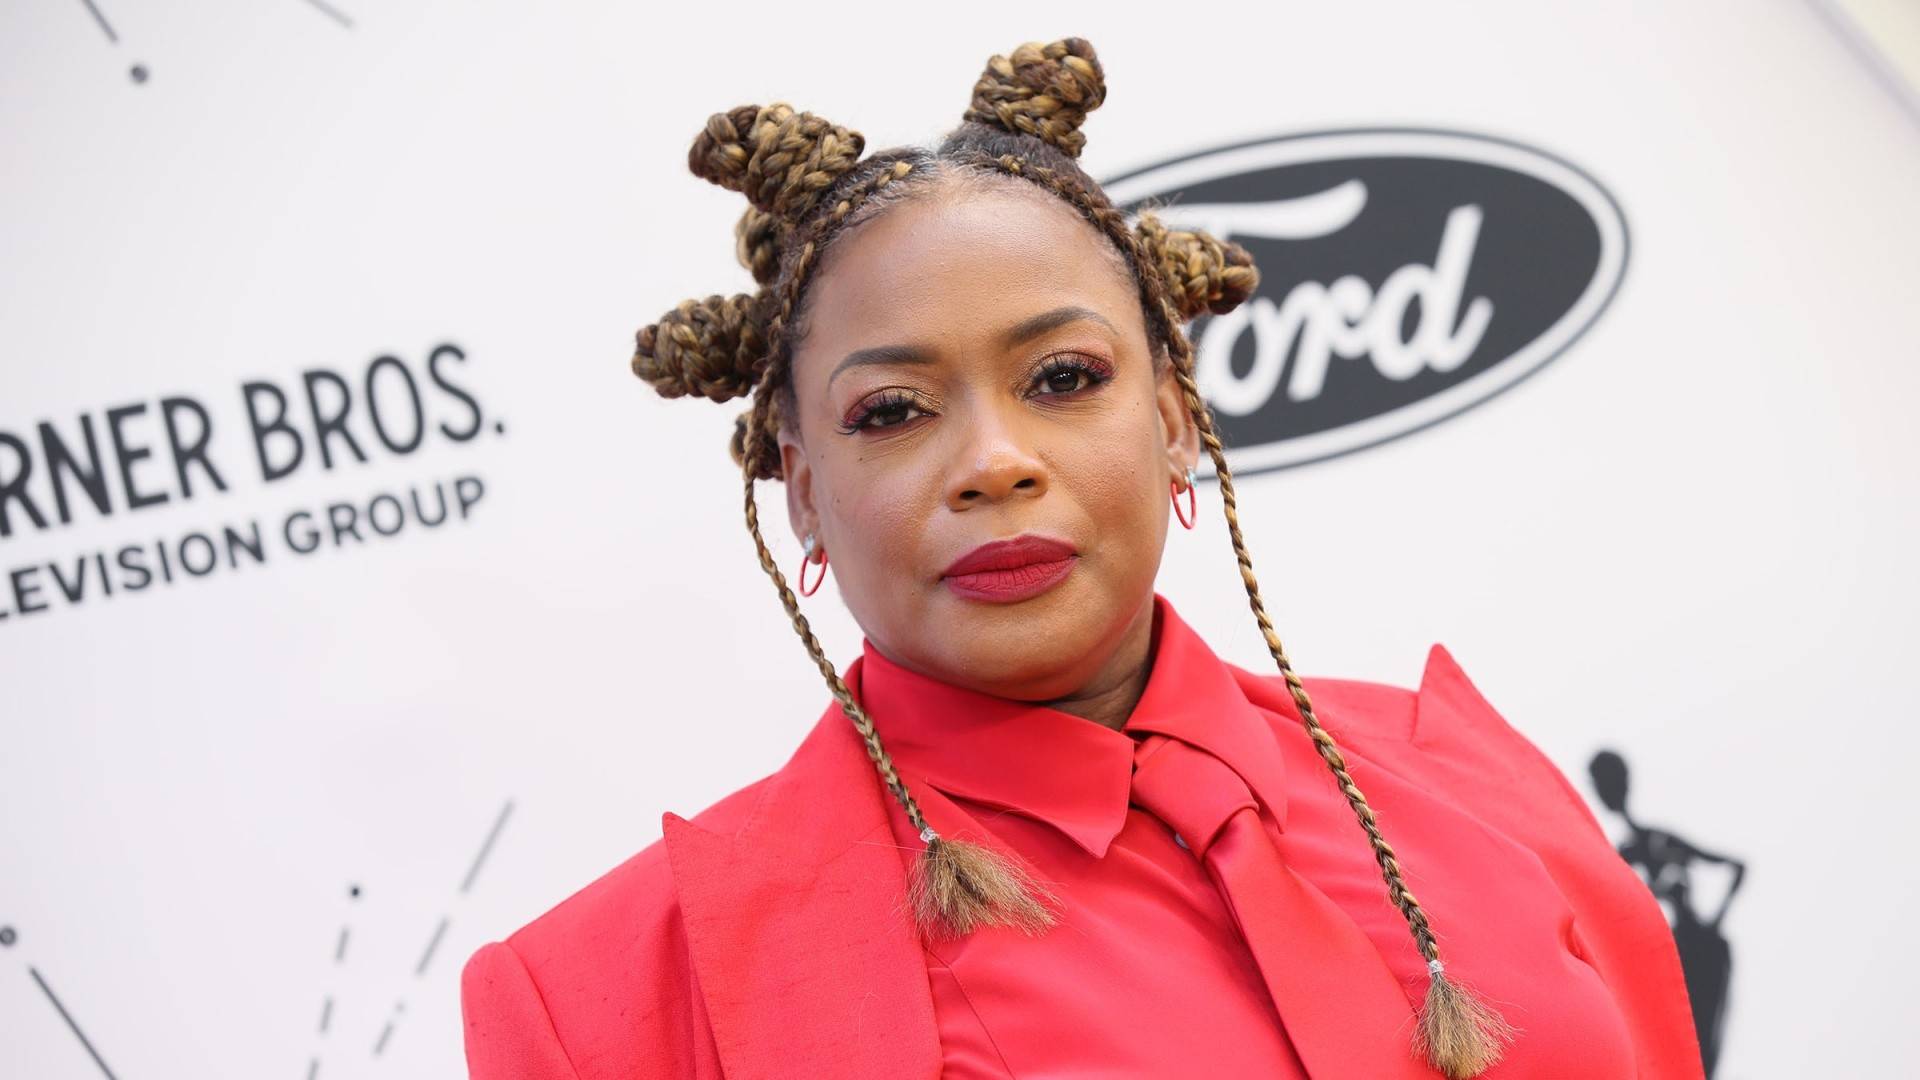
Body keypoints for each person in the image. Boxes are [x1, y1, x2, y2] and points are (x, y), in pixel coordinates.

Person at [459, 37, 1702, 1080]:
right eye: (891, 411)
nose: (994, 462)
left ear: (1172, 417)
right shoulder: (611, 1000)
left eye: (1062, 378)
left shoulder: (1472, 783)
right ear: (803, 492)